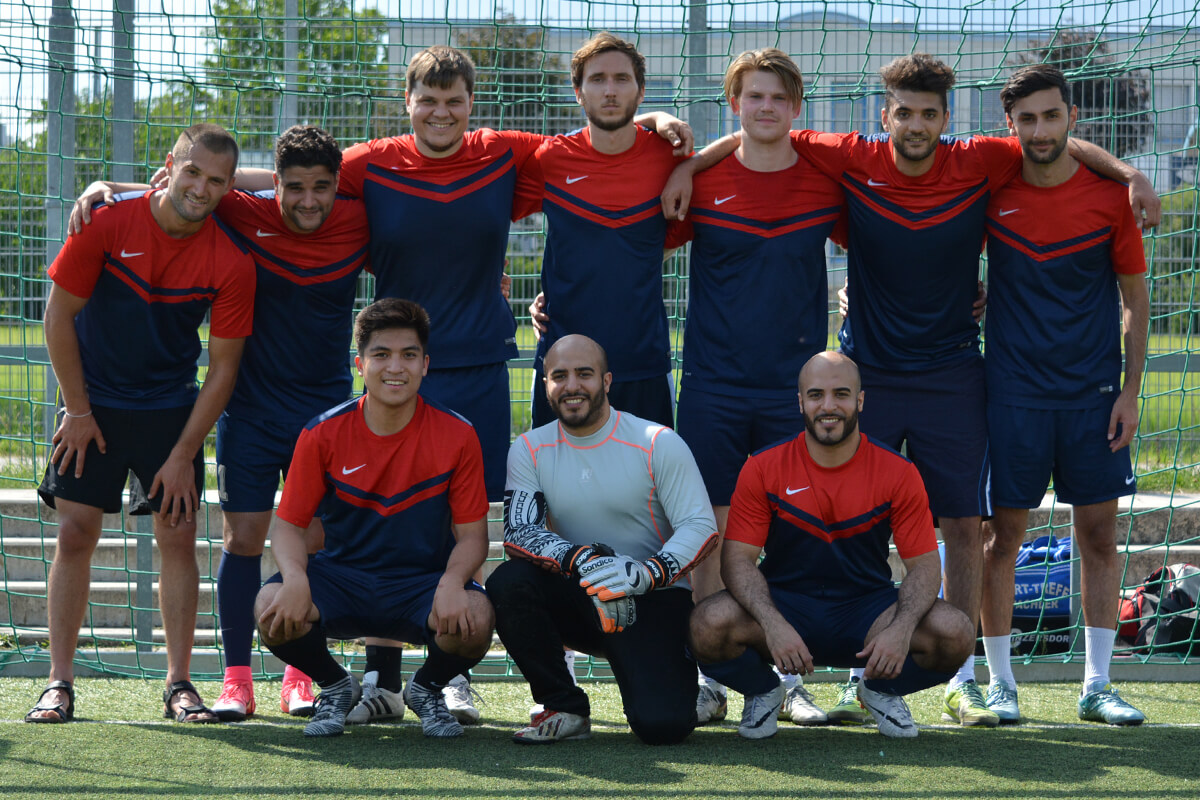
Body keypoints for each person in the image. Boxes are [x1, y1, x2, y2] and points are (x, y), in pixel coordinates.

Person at [663, 52, 1161, 728]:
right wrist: (691, 164)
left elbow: (1049, 139)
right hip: (867, 371)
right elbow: (760, 131)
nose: (917, 124)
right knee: (846, 518)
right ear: (884, 115)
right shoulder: (851, 157)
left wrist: (1130, 173)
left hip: (955, 371)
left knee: (962, 523)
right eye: (905, 112)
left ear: (947, 120)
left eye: (930, 113)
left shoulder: (983, 160)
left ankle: (963, 678)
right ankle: (842, 669)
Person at [230, 46, 688, 719]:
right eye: (427, 100)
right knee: (378, 516)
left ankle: (449, 674)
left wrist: (657, 120)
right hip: (397, 367)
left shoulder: (503, 151)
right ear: (408, 103)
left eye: (453, 101)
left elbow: (594, 140)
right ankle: (382, 679)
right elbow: (297, 178)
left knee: (460, 520)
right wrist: (169, 183)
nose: (440, 112)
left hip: (475, 365)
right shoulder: (374, 163)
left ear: (471, 104)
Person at [66, 125, 372, 721]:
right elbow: (186, 188)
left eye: (322, 189)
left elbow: (426, 245)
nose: (309, 201)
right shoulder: (242, 212)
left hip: (326, 410)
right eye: (294, 188)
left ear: (337, 188)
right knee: (241, 540)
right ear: (274, 186)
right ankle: (236, 680)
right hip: (251, 406)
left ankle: (300, 675)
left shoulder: (358, 220)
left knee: (311, 541)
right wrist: (108, 187)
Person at [26, 123, 255, 724]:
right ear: (169, 165)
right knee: (75, 533)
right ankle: (59, 684)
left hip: (168, 411)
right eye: (193, 172)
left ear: (229, 188)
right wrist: (76, 411)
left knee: (178, 535)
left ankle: (180, 685)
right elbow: (57, 317)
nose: (202, 188)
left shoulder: (230, 260)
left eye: (217, 181)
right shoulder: (104, 221)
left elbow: (223, 369)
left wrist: (184, 451)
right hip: (91, 405)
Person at [674, 48, 844, 728]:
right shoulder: (701, 183)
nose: (765, 107)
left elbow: (887, 241)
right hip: (712, 383)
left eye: (777, 97)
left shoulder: (825, 179)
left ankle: (788, 674)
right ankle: (708, 675)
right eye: (752, 96)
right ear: (734, 105)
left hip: (791, 388)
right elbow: (628, 249)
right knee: (708, 534)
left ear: (796, 108)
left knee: (790, 534)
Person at [978, 64, 1149, 726]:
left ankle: (1097, 685)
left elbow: (1135, 300)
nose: (1041, 129)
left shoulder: (1108, 198)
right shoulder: (991, 188)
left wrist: (1130, 392)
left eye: (1052, 116)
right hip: (1013, 392)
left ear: (1072, 118)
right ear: (1010, 125)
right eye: (1028, 118)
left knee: (1098, 534)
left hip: (1092, 393)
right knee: (1003, 537)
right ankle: (1001, 683)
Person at [688, 351, 975, 739]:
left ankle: (879, 690)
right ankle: (764, 691)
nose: (828, 406)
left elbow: (924, 566)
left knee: (955, 631)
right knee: (705, 624)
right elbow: (736, 560)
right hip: (785, 606)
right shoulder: (763, 467)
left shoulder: (898, 471)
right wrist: (773, 624)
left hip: (868, 613)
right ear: (800, 401)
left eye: (841, 394)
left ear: (860, 401)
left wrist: (901, 628)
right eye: (816, 395)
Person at [253, 298, 494, 738]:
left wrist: (452, 582)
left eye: (408, 355)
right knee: (270, 606)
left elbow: (473, 536)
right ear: (360, 365)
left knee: (477, 616)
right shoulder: (321, 433)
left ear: (426, 365)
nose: (395, 367)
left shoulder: (458, 435)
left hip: (419, 584)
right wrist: (294, 577)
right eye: (381, 354)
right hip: (344, 579)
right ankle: (335, 685)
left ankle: (426, 689)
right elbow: (287, 526)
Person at [487, 334, 718, 745]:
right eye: (559, 376)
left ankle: (688, 689)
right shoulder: (529, 447)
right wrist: (584, 561)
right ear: (545, 385)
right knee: (508, 582)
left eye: (584, 374)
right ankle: (564, 706)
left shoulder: (656, 442)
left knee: (662, 727)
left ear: (607, 381)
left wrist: (645, 572)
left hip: (652, 600)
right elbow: (521, 533)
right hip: (580, 596)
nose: (572, 385)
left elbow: (700, 526)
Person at [517, 33, 690, 429]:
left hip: (643, 361)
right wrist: (495, 278)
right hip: (563, 366)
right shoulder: (550, 159)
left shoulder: (670, 158)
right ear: (578, 92)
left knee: (647, 489)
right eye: (597, 80)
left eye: (621, 79)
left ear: (641, 90)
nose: (609, 90)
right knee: (555, 490)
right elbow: (485, 217)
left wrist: (689, 167)